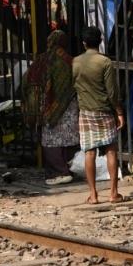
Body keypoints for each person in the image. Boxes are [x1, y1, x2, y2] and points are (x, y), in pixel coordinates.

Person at [72, 25, 125, 203]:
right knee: (111, 150)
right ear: (100, 41)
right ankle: (113, 193)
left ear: (84, 43)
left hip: (86, 112)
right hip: (104, 111)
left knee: (89, 152)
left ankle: (93, 195)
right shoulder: (105, 62)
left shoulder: (75, 62)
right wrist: (119, 111)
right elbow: (112, 92)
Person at [23, 29, 79, 186]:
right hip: (68, 105)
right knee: (69, 137)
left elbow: (27, 79)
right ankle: (70, 168)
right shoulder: (70, 61)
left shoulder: (41, 60)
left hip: (47, 106)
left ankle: (59, 171)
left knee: (51, 140)